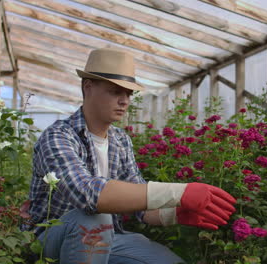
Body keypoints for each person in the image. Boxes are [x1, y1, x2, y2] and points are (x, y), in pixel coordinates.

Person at [21, 48, 236, 264]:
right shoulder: (58, 136)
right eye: (115, 91)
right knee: (96, 216)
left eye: (128, 94)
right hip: (49, 241)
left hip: (106, 237)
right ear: (88, 87)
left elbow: (140, 207)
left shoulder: (120, 140)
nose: (125, 100)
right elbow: (87, 194)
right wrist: (181, 192)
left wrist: (175, 213)